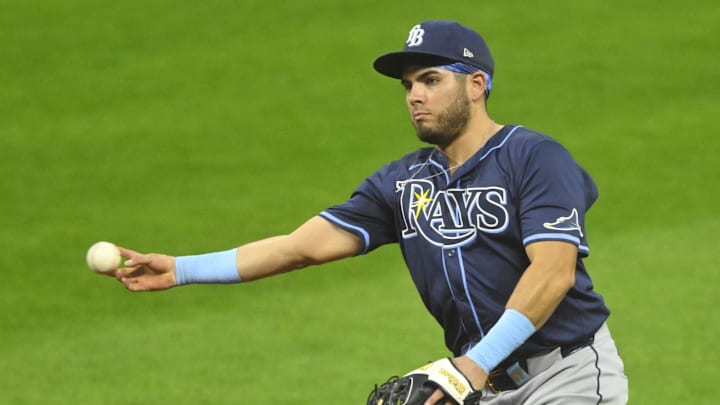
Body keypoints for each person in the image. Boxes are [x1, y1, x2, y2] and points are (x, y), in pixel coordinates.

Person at [108, 20, 628, 404]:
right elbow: (300, 248)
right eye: (407, 86)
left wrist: (471, 365)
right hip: (480, 386)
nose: (414, 97)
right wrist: (181, 269)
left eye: (430, 79)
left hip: (566, 376)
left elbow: (554, 271)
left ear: (476, 84)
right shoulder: (402, 183)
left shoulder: (533, 158)